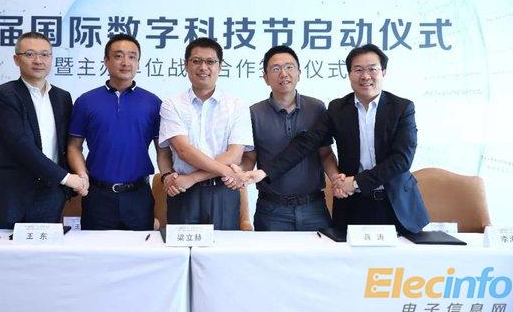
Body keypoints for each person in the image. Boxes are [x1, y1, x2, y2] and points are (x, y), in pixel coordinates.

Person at [245, 44, 429, 233]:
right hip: (353, 203)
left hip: (396, 204)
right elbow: (306, 144)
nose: (365, 76)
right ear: (349, 74)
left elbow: (402, 160)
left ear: (383, 72)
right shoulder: (338, 109)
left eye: (372, 69)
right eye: (358, 70)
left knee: (401, 253)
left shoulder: (402, 108)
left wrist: (356, 182)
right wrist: (265, 172)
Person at [0, 32, 88, 229]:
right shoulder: (3, 95)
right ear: (16, 59)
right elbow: (19, 145)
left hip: (51, 195)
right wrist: (67, 178)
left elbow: (67, 145)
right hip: (11, 196)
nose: (38, 61)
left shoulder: (63, 97)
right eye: (30, 54)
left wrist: (79, 174)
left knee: (45, 249)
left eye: (45, 55)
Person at [67, 34, 171, 230]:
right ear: (106, 60)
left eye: (132, 57)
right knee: (94, 249)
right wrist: (81, 174)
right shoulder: (86, 101)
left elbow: (163, 150)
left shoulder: (153, 103)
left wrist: (168, 176)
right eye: (118, 56)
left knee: (141, 248)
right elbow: (74, 146)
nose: (125, 62)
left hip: (138, 196)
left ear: (138, 63)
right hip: (97, 195)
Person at [236, 45, 341, 231]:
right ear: (265, 77)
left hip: (313, 207)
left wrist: (336, 179)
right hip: (272, 210)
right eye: (276, 68)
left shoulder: (317, 108)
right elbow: (250, 157)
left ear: (299, 73)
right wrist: (240, 173)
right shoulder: (254, 113)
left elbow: (325, 153)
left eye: (289, 67)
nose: (283, 73)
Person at [158, 37, 253, 230]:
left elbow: (235, 155)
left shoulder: (237, 105)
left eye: (210, 61)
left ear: (220, 66)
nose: (203, 67)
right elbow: (184, 151)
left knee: (223, 249)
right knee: (182, 248)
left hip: (222, 192)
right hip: (183, 194)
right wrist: (226, 170)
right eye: (196, 61)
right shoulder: (172, 104)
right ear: (186, 65)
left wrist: (192, 178)